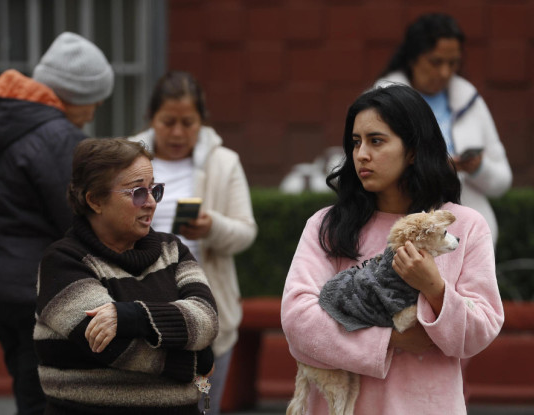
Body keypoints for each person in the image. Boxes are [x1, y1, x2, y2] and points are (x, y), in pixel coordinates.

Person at [280, 85, 504, 414]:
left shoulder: (463, 226)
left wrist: (433, 287)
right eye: (356, 142)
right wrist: (391, 341)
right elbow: (298, 321)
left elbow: (480, 329)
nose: (361, 154)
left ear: (413, 150)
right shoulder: (326, 225)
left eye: (376, 141)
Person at [0, 32, 113, 415]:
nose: (96, 107)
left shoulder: (0, 119)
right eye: (94, 97)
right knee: (51, 400)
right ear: (74, 94)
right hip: (43, 290)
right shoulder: (57, 138)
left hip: (0, 282)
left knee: (29, 390)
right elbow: (78, 217)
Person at [34, 138, 218, 414]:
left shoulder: (173, 250)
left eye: (155, 190)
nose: (152, 203)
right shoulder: (62, 261)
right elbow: (112, 348)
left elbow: (207, 319)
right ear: (95, 200)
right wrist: (196, 360)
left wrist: (132, 316)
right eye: (137, 193)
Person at [129, 70, 257, 415]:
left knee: (202, 407)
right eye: (168, 121)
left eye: (188, 122)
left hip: (207, 312)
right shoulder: (125, 159)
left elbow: (246, 231)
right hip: (141, 307)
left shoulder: (223, 162)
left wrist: (211, 227)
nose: (177, 132)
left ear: (202, 122)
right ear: (151, 118)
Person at [374, 13, 512, 246]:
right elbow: (361, 169)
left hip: (466, 238)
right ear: (412, 58)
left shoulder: (469, 100)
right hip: (399, 236)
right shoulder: (381, 100)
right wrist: (432, 169)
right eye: (436, 62)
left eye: (453, 63)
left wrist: (478, 168)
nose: (445, 72)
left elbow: (502, 181)